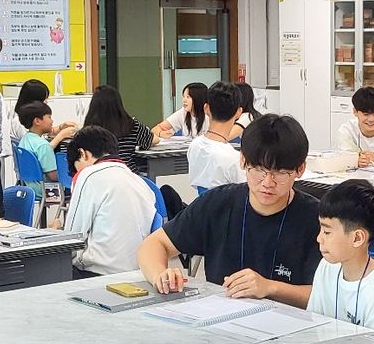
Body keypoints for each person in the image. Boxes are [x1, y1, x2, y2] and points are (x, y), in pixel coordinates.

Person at [137, 114, 322, 308]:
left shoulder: (317, 220)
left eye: (280, 173)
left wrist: (270, 288)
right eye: (258, 170)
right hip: (221, 317)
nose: (268, 182)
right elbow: (153, 245)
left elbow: (329, 297)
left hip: (288, 322)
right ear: (243, 161)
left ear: (300, 169)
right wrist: (160, 275)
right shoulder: (218, 203)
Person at [51, 126, 156, 278]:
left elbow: (73, 238)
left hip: (98, 273)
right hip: (139, 273)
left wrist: (55, 234)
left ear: (82, 153)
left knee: (45, 268)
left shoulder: (88, 175)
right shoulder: (140, 182)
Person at [306, 179, 374, 330]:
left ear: (357, 238)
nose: (319, 238)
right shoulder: (326, 267)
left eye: (327, 232)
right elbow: (313, 326)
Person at [83, 86, 157, 174]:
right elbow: (153, 140)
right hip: (128, 175)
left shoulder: (88, 131)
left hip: (99, 175)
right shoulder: (132, 125)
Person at [188, 82, 246, 189]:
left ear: (206, 108)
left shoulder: (194, 146)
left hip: (201, 200)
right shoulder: (235, 160)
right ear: (239, 112)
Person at [17, 101, 74, 195]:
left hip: (31, 187)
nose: (52, 121)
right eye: (49, 117)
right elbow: (54, 176)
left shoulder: (26, 139)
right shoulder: (43, 145)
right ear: (37, 121)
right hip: (47, 190)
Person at [10, 79, 76, 142]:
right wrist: (61, 135)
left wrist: (61, 127)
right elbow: (38, 147)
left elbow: (45, 133)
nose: (46, 102)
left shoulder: (28, 119)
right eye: (44, 99)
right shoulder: (20, 123)